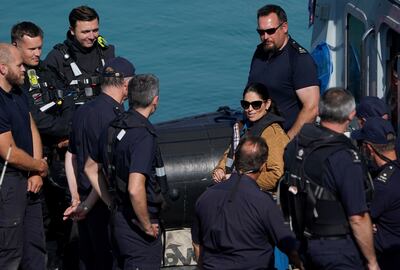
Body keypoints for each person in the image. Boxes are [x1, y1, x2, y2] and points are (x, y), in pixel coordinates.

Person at [283, 87, 379, 270]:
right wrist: (372, 261)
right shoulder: (344, 157)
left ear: (319, 111)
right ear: (351, 115)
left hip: (304, 242)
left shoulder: (295, 146)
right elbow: (357, 217)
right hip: (338, 249)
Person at [11, 21, 76, 269]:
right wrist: (60, 129)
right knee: (40, 224)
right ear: (16, 45)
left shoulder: (46, 72)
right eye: (32, 49)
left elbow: (68, 102)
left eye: (40, 48)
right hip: (33, 162)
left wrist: (66, 128)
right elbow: (36, 122)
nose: (38, 54)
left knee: (62, 222)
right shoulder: (16, 84)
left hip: (57, 160)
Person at [63, 57, 135, 270]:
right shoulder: (116, 118)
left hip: (84, 199)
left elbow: (71, 156)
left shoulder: (82, 111)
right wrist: (89, 204)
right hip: (102, 203)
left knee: (87, 260)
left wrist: (76, 198)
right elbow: (101, 167)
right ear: (125, 84)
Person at [192, 136, 303, 270]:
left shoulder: (205, 198)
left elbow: (197, 245)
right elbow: (288, 245)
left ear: (236, 161)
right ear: (263, 166)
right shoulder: (263, 202)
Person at [89, 74, 163, 269]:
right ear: (155, 100)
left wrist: (111, 201)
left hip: (117, 218)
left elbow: (90, 168)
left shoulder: (112, 126)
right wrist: (146, 224)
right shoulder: (143, 136)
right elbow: (135, 188)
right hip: (137, 227)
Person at [0, 43, 48, 269]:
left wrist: (36, 171)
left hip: (29, 177)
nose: (24, 69)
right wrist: (38, 165)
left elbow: (31, 127)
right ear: (2, 68)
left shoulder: (18, 92)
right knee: (10, 251)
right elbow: (8, 151)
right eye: (19, 65)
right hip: (8, 183)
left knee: (34, 245)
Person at [247, 4, 320, 139]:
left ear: (284, 27)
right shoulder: (260, 52)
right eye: (261, 32)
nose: (265, 36)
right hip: (257, 134)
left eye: (270, 31)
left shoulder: (299, 60)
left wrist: (286, 142)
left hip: (283, 137)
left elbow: (312, 108)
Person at [212, 82, 289, 191]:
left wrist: (239, 181)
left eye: (256, 104)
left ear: (267, 104)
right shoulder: (243, 127)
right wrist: (220, 170)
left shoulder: (272, 133)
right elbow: (230, 154)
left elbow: (277, 174)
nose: (250, 109)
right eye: (246, 104)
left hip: (258, 194)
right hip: (235, 188)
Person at [352, 117, 400, 270]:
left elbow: (358, 219)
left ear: (369, 148)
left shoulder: (382, 186)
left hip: (388, 260)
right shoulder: (394, 173)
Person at [44, 5, 115, 100]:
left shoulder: (106, 52)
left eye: (95, 30)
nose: (92, 36)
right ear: (72, 30)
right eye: (85, 32)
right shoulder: (56, 58)